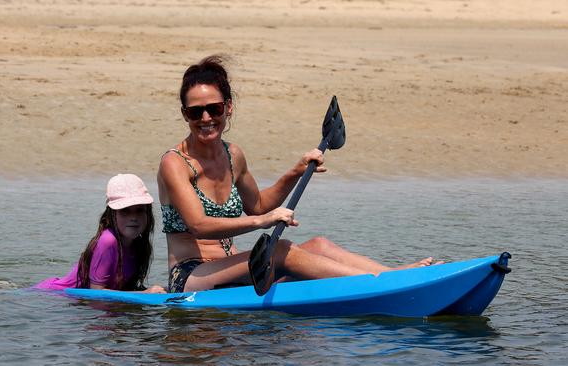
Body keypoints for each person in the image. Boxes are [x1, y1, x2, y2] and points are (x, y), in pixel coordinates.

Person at [158, 55, 439, 293]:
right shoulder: (175, 163)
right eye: (196, 112)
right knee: (281, 250)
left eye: (214, 108)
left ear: (228, 107)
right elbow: (200, 225)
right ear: (185, 115)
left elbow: (257, 205)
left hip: (239, 271)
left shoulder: (233, 155)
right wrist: (262, 222)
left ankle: (395, 277)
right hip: (191, 276)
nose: (206, 118)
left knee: (319, 245)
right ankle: (386, 285)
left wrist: (296, 171)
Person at [34, 174, 166, 293]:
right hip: (51, 296)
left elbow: (123, 289)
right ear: (112, 215)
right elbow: (97, 293)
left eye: (139, 210)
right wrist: (144, 293)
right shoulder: (108, 240)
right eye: (125, 211)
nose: (133, 217)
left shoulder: (139, 244)